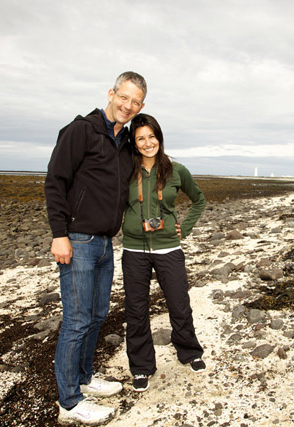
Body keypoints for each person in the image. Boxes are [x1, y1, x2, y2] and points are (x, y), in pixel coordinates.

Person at [44, 71, 146, 425]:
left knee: (98, 315)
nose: (128, 106)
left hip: (105, 243)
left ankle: (85, 378)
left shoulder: (125, 144)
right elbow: (56, 180)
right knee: (76, 320)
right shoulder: (82, 130)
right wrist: (60, 234)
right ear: (111, 93)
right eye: (124, 97)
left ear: (141, 106)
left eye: (135, 102)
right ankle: (69, 401)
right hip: (78, 240)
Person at [120, 113, 207, 393]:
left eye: (151, 136)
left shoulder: (176, 170)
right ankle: (142, 367)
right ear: (134, 143)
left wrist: (187, 227)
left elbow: (199, 199)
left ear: (159, 137)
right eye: (140, 138)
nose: (147, 143)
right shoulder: (125, 172)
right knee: (135, 310)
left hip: (169, 248)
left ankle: (190, 352)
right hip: (133, 250)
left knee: (179, 303)